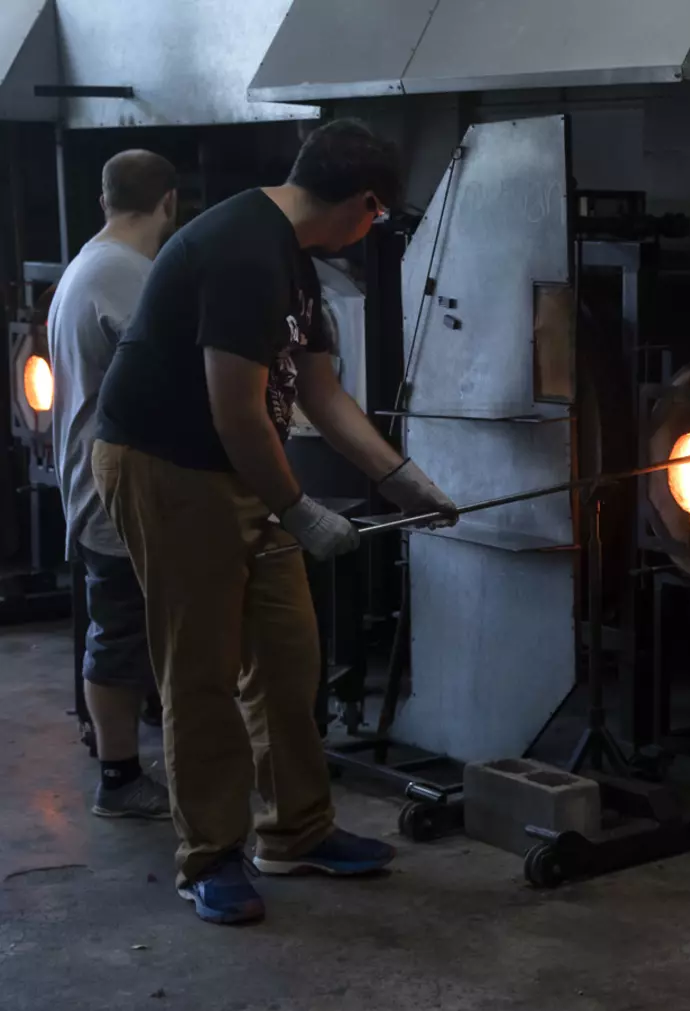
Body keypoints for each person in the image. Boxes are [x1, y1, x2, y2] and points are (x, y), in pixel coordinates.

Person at [91, 119, 458, 926]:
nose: (372, 232)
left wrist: (398, 478)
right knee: (203, 668)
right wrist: (298, 506)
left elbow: (319, 391)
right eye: (378, 218)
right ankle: (209, 856)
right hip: (170, 465)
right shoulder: (244, 252)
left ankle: (296, 830)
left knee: (288, 653)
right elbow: (236, 412)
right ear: (365, 203)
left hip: (236, 465)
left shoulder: (296, 262)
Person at [45, 149, 180, 821]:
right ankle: (119, 777)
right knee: (122, 630)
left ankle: (122, 763)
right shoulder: (126, 274)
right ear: (170, 203)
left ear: (103, 200)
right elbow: (169, 378)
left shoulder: (86, 266)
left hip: (91, 480)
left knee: (121, 625)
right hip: (113, 492)